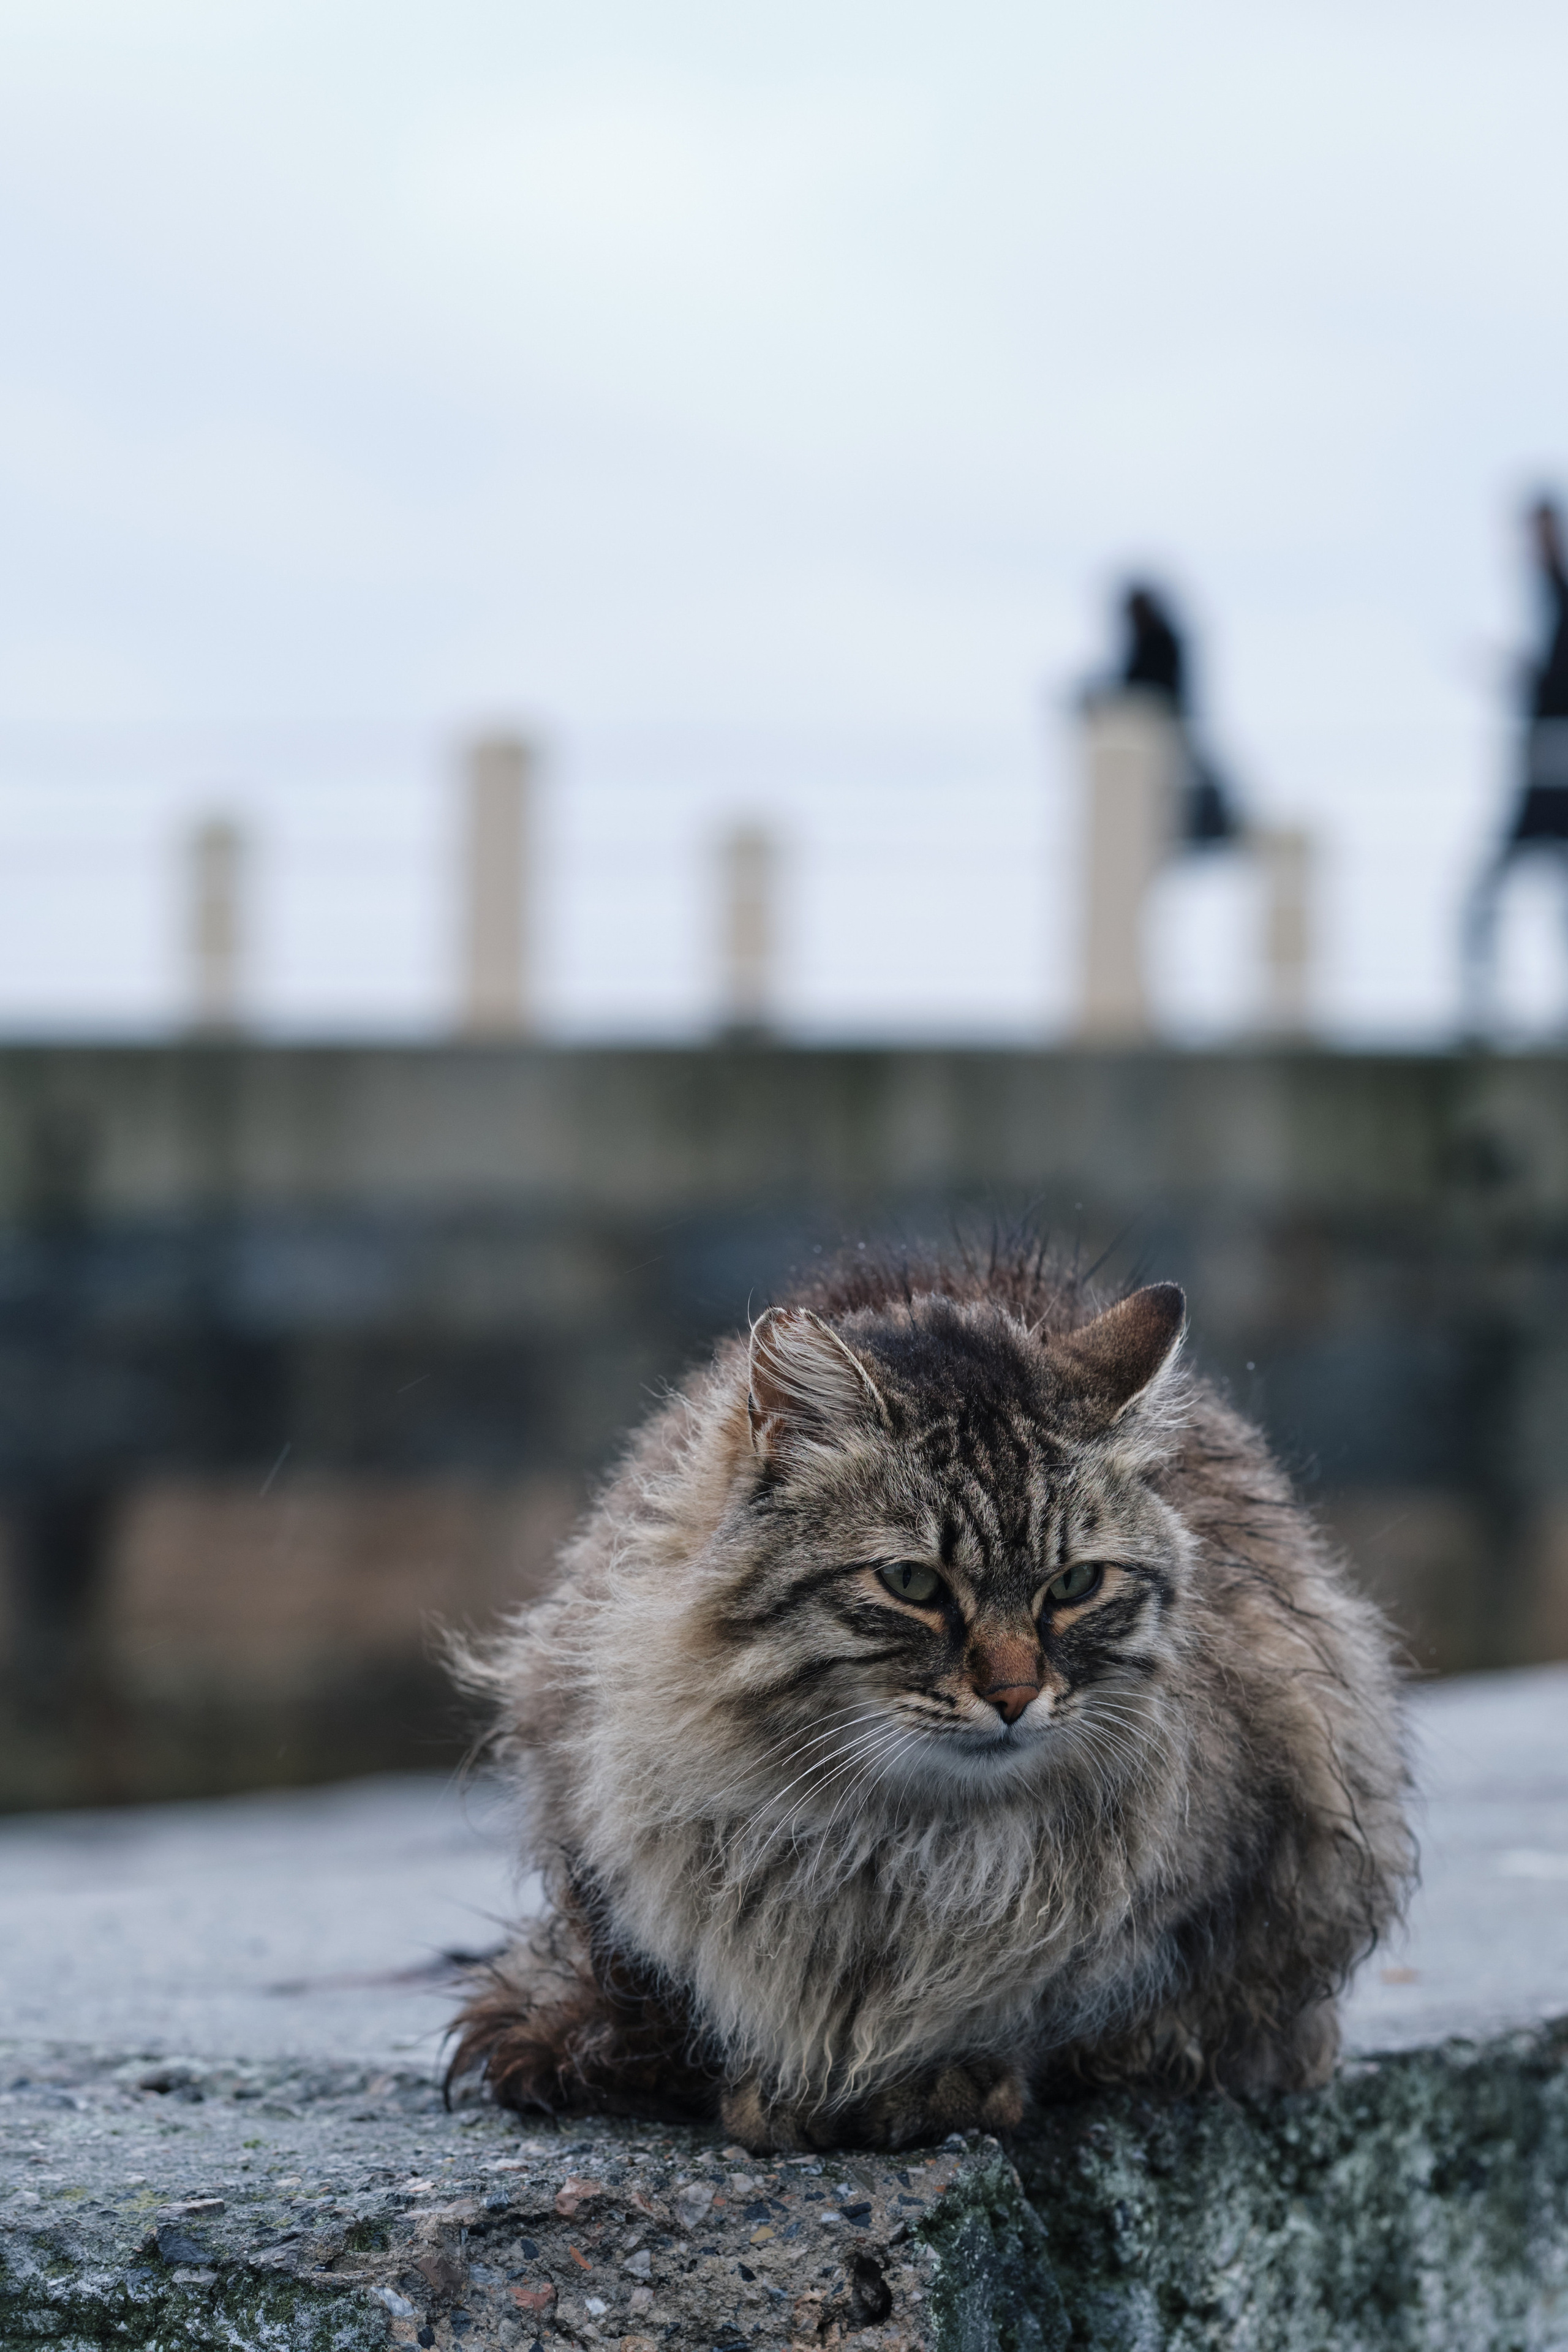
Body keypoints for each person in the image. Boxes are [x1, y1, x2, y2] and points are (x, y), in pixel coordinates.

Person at [1464, 499, 1568, 1022]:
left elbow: (1556, 686)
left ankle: (1484, 1004)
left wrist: (1520, 676)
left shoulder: (1560, 592)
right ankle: (1481, 1003)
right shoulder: (1548, 594)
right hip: (1542, 772)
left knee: (1492, 895)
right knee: (1490, 897)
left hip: (1556, 775)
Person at [1115, 581, 1239, 846]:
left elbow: (1145, 684)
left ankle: (1214, 823)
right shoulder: (1148, 639)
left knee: (1189, 777)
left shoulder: (1162, 639)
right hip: (1159, 725)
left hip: (1169, 722)